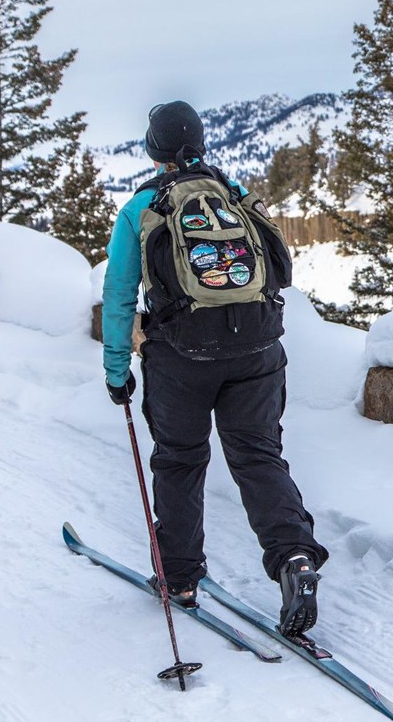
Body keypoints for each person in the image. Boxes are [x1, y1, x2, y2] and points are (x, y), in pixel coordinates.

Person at [100, 100, 328, 636]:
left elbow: (118, 296)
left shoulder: (141, 207)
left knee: (180, 460)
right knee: (257, 454)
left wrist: (116, 371)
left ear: (153, 150)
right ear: (200, 142)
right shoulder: (235, 195)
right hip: (258, 349)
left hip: (182, 355)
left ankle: (178, 578)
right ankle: (295, 557)